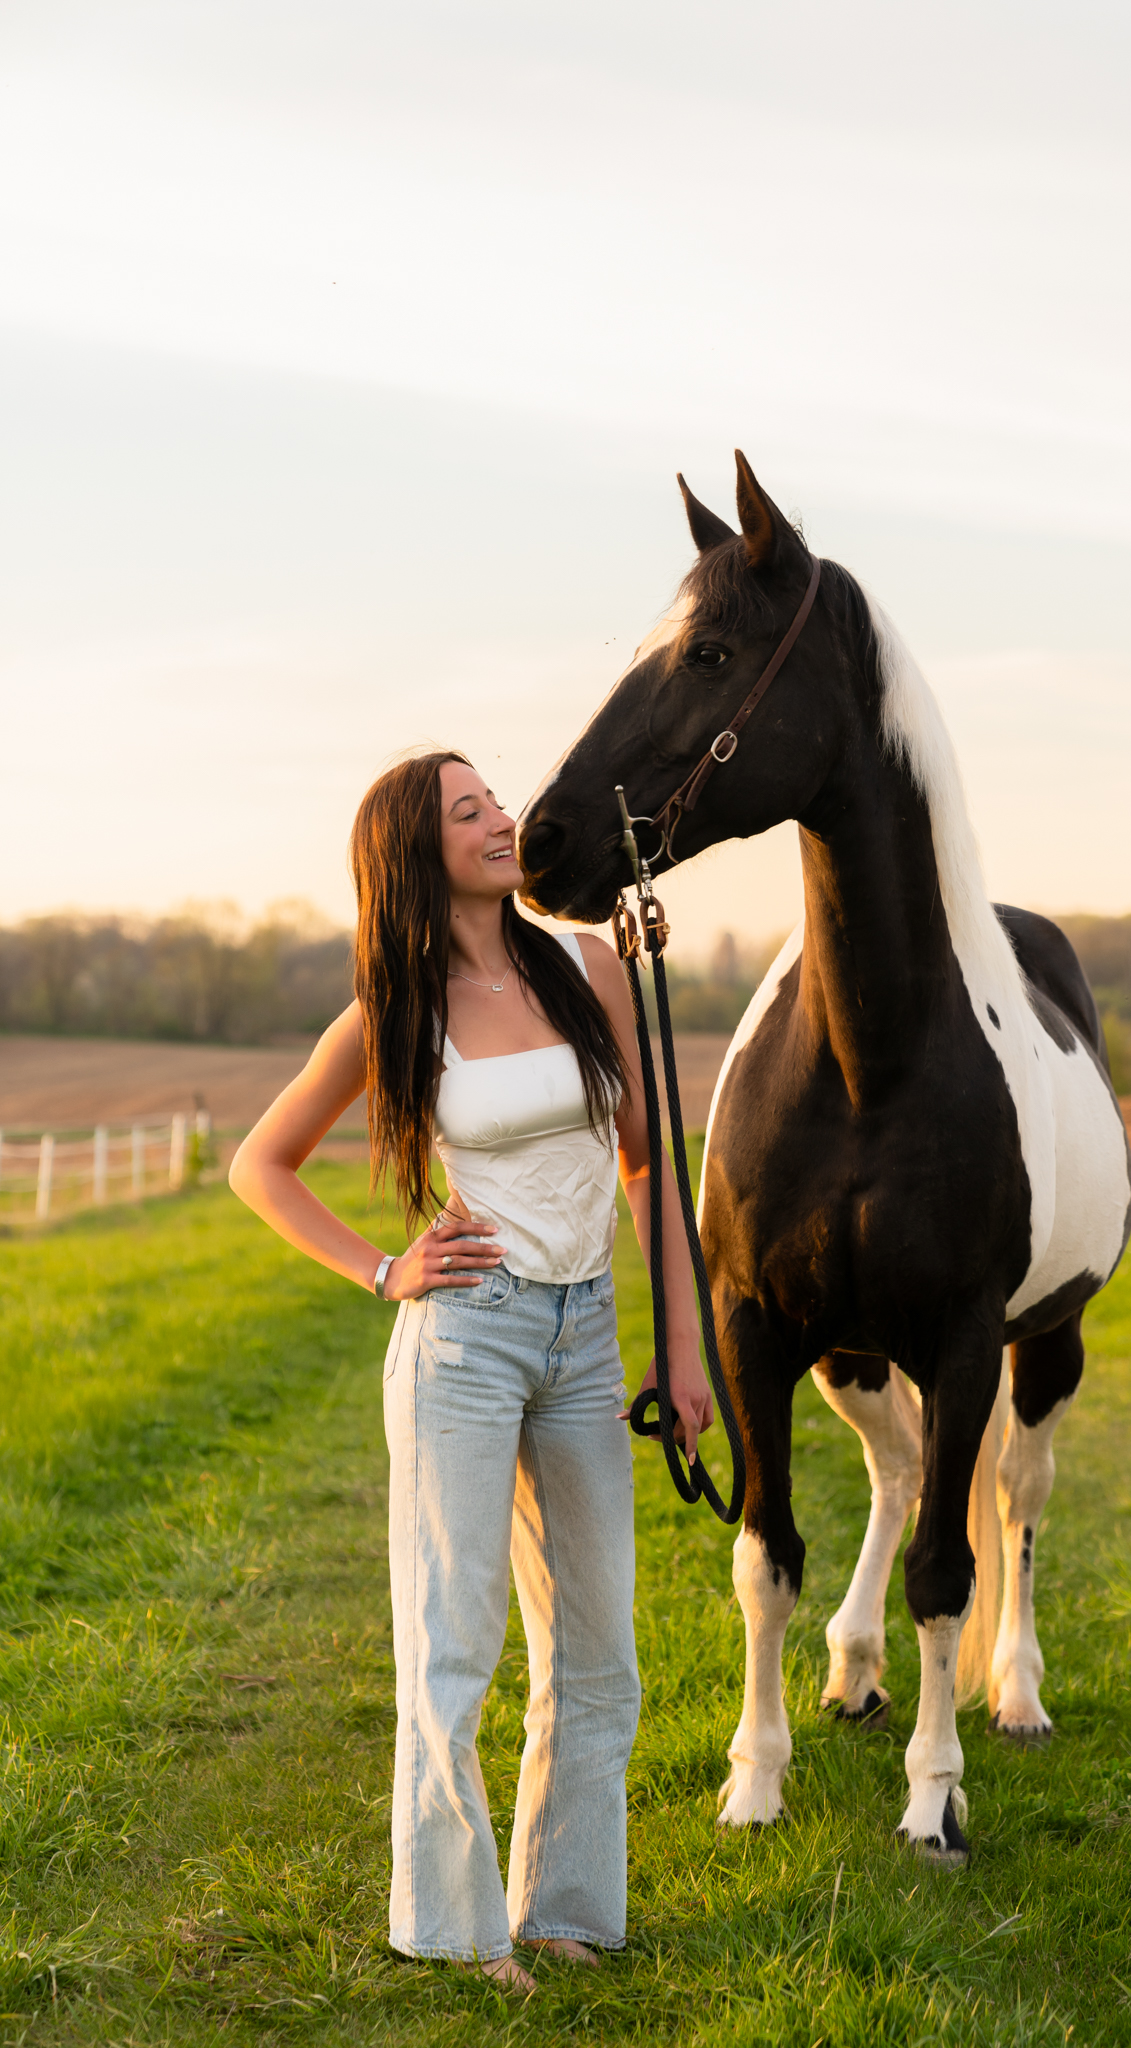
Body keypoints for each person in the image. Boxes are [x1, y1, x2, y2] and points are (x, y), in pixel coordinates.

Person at [228, 749, 713, 1992]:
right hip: (469, 1337)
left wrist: (683, 1342)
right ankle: (456, 1923)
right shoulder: (396, 1009)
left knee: (601, 1646)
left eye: (493, 798)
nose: (502, 819)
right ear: (416, 850)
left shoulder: (586, 966)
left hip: (589, 1331)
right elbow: (260, 1164)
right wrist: (383, 1266)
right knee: (454, 1640)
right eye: (469, 810)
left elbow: (648, 1162)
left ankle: (568, 1912)